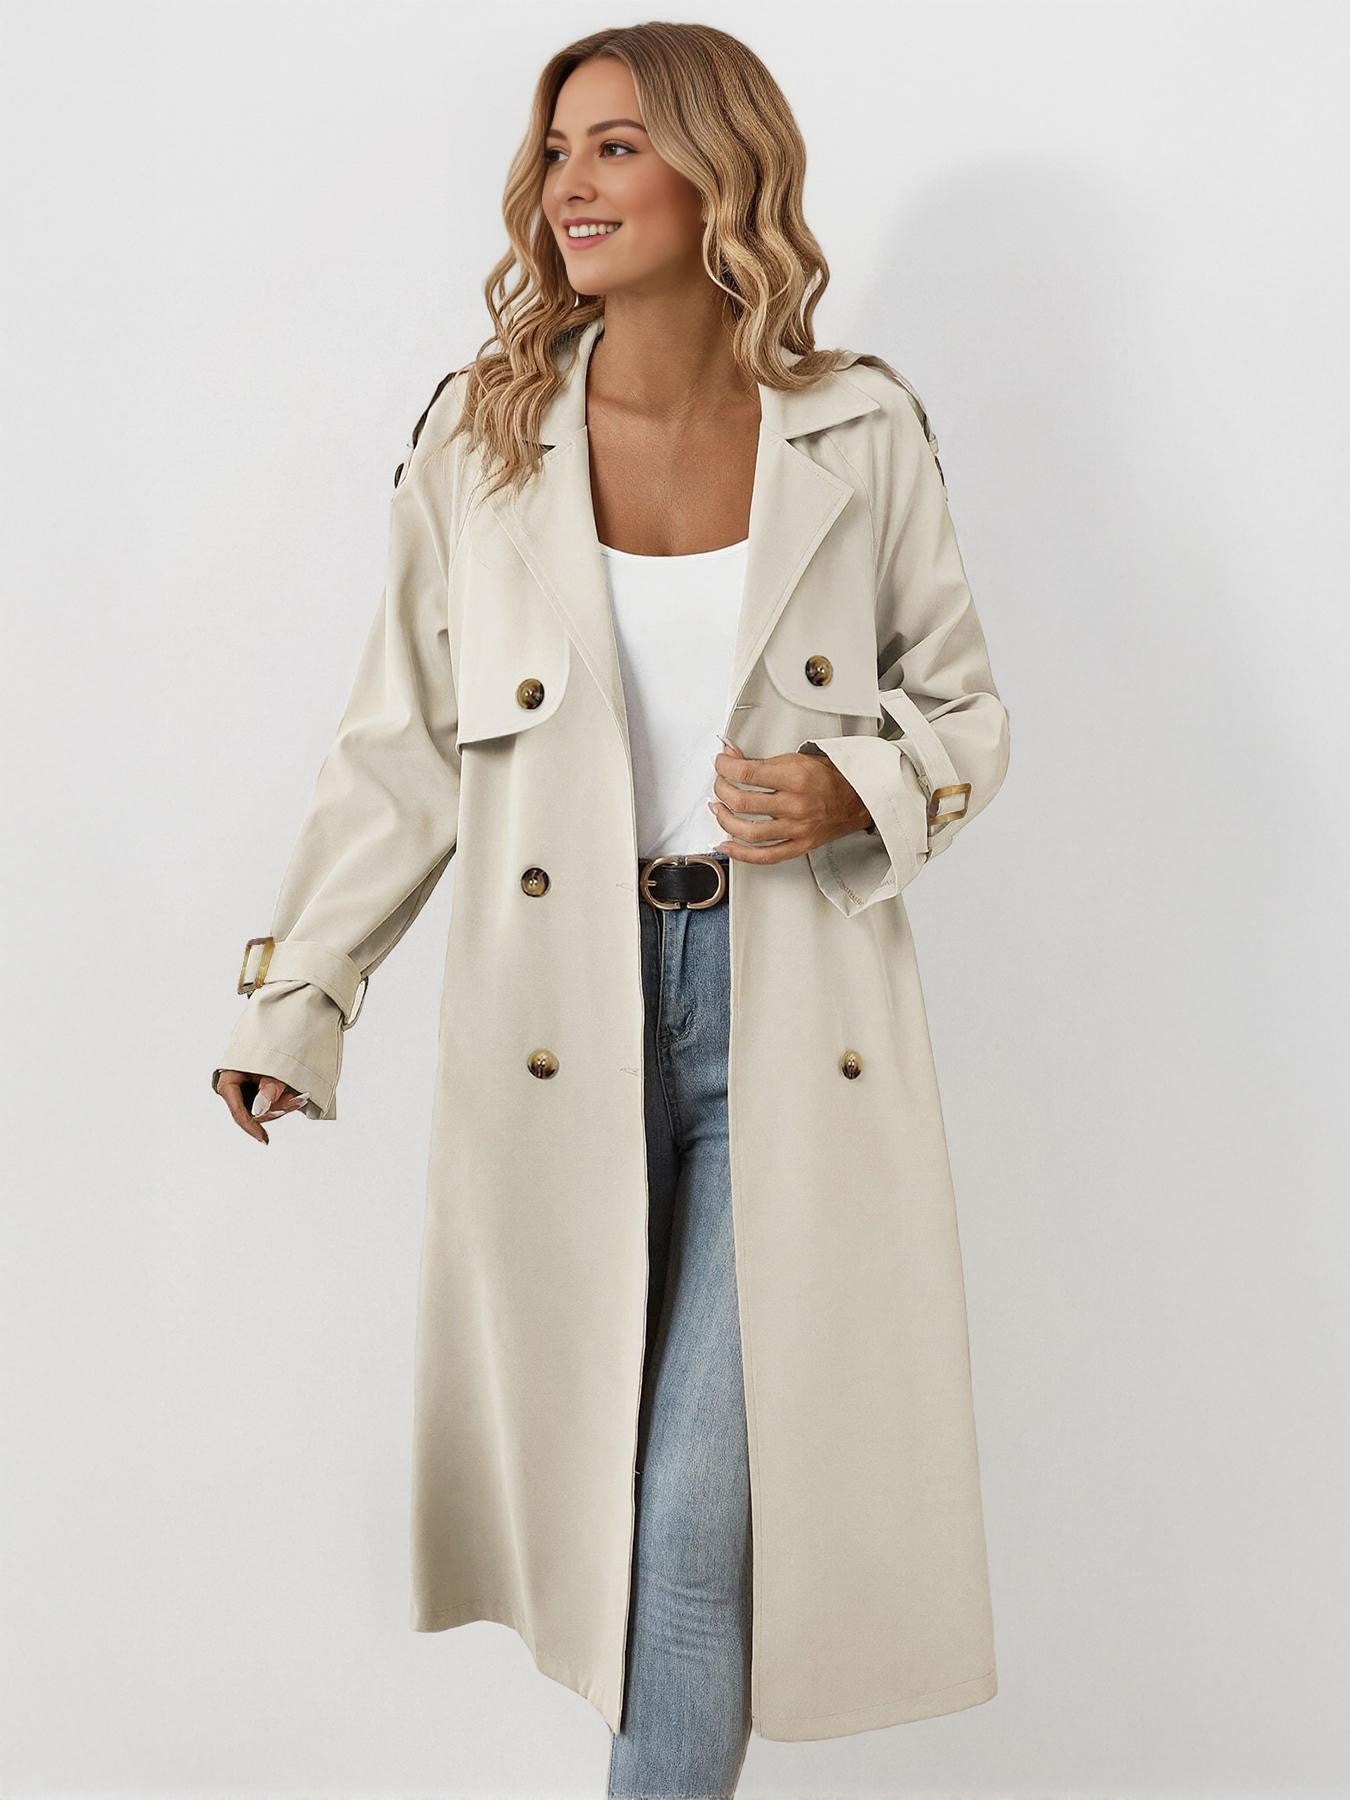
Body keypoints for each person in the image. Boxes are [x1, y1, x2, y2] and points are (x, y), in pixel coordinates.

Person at [215, 24, 1010, 1800]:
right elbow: (399, 750)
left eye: (618, 146)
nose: (571, 184)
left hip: (792, 1017)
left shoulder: (856, 428)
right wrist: (299, 999)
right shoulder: (481, 436)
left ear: (721, 172)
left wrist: (851, 787)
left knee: (691, 1528)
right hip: (555, 1018)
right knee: (599, 1519)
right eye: (558, 150)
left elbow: (964, 710)